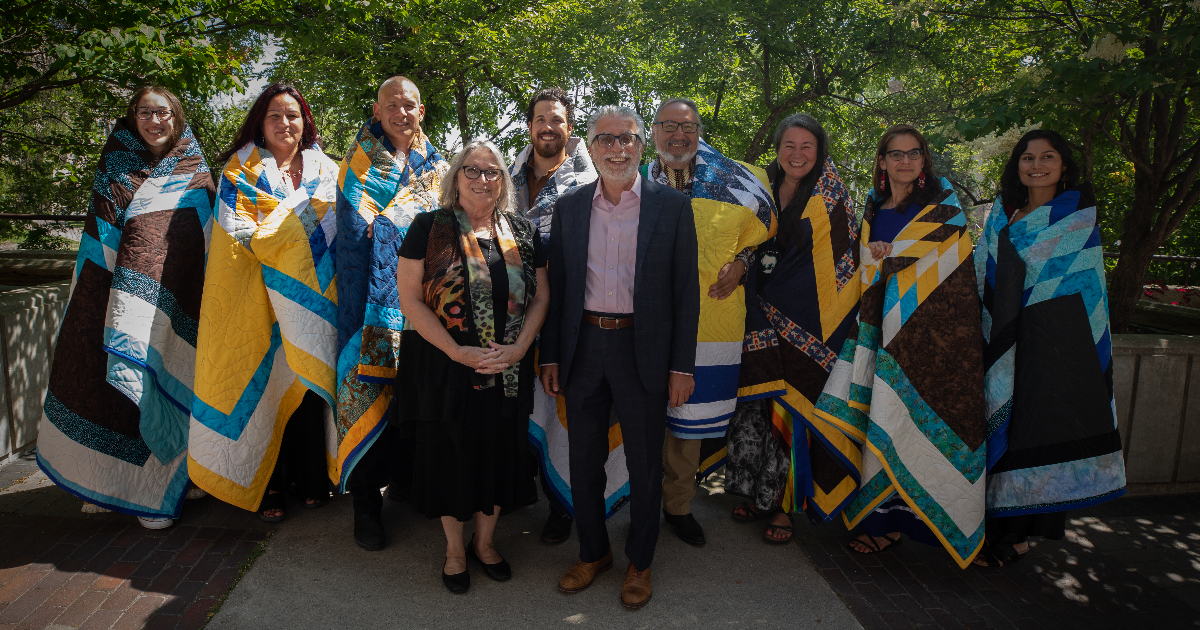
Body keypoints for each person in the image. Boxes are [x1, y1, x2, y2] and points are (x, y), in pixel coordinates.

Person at [542, 105, 699, 609]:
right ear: (590, 148)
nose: (617, 147)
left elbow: (685, 294)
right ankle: (593, 553)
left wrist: (681, 367)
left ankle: (640, 562)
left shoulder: (671, 207)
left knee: (645, 464)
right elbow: (557, 291)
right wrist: (549, 357)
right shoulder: (569, 208)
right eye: (606, 139)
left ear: (641, 145)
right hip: (584, 347)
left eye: (627, 138)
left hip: (645, 351)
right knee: (583, 458)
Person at [36, 86, 214, 529]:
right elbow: (103, 238)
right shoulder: (115, 165)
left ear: (177, 116)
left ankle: (179, 477)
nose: (155, 121)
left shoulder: (194, 166)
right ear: (133, 117)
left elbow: (205, 236)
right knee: (122, 387)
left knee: (179, 378)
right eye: (146, 112)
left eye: (164, 112)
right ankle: (129, 491)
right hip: (116, 299)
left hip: (182, 299)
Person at [811, 124, 988, 568]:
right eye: (895, 154)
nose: (905, 161)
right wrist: (873, 256)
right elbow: (863, 266)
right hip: (878, 332)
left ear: (924, 161)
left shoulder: (943, 210)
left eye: (913, 154)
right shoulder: (873, 206)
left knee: (907, 424)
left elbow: (950, 275)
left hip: (927, 343)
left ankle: (903, 526)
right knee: (879, 421)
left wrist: (882, 258)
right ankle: (878, 521)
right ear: (882, 161)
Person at [394, 140, 548, 593]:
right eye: (472, 170)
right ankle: (455, 550)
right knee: (449, 457)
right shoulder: (428, 226)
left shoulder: (523, 230)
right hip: (446, 367)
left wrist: (520, 347)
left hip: (508, 367)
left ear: (504, 181)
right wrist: (455, 351)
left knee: (498, 455)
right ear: (456, 177)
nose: (483, 179)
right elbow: (409, 300)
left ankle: (485, 544)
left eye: (493, 171)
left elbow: (542, 296)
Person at [973, 130, 1127, 566]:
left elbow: (1082, 283)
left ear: (1063, 165)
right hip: (1001, 337)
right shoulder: (1003, 214)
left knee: (1041, 427)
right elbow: (982, 272)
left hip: (1056, 340)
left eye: (1048, 157)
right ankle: (997, 525)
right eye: (1027, 157)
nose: (1036, 165)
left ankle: (1019, 536)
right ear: (1016, 165)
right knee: (1003, 422)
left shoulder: (1076, 216)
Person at [188, 83, 339, 523]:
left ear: (304, 121)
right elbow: (238, 232)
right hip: (255, 295)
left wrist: (293, 237)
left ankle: (312, 478)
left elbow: (334, 231)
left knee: (309, 387)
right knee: (263, 385)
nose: (285, 124)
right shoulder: (239, 171)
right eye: (275, 116)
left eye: (293, 115)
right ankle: (267, 482)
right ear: (260, 122)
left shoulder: (327, 170)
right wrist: (291, 235)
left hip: (312, 298)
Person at [641, 98, 777, 547]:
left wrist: (742, 261)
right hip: (645, 319)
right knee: (640, 416)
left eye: (688, 127)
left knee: (688, 418)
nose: (677, 135)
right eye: (668, 126)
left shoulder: (739, 180)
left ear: (700, 131)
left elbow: (762, 233)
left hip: (709, 316)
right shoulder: (632, 179)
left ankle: (677, 508)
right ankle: (635, 507)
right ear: (654, 131)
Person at [727, 113, 858, 545]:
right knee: (753, 407)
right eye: (789, 145)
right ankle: (749, 489)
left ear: (819, 151)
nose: (797, 154)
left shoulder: (831, 193)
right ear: (777, 148)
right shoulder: (758, 185)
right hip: (752, 311)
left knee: (791, 412)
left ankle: (784, 507)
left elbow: (839, 262)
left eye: (807, 147)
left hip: (806, 321)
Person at [334, 75, 450, 551]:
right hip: (368, 306)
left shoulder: (440, 167)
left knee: (417, 399)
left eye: (410, 105)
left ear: (421, 112)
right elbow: (356, 229)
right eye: (392, 105)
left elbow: (447, 224)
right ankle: (365, 505)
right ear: (378, 112)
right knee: (366, 397)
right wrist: (400, 225)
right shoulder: (357, 164)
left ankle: (407, 482)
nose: (402, 113)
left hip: (424, 306)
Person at [509, 87, 612, 544]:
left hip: (565, 314)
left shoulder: (589, 185)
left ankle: (561, 505)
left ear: (570, 129)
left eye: (557, 120)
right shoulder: (506, 176)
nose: (547, 127)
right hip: (507, 312)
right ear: (530, 126)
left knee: (557, 410)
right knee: (515, 405)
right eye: (540, 120)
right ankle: (515, 490)